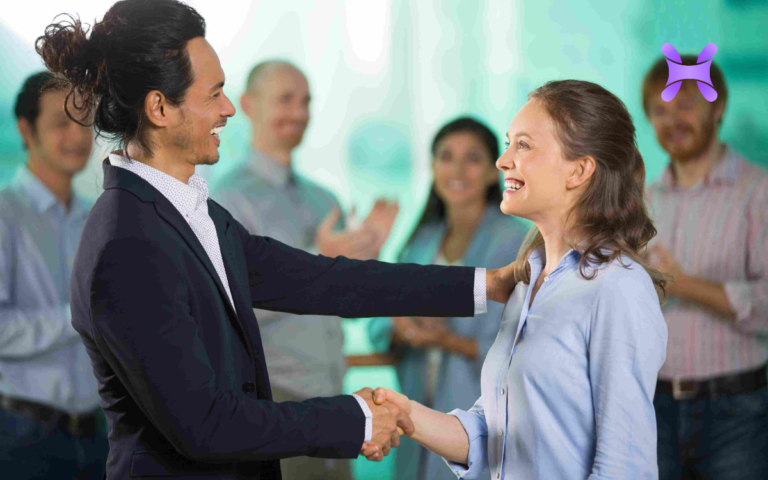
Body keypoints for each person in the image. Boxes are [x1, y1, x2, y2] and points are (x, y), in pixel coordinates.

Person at [35, 1, 520, 478]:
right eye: (214, 94)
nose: (228, 109)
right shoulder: (129, 244)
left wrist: (489, 284)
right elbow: (206, 425)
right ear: (160, 107)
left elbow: (323, 281)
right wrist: (356, 417)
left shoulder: (192, 214)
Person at [365, 80, 669, 479]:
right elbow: (491, 434)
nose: (502, 161)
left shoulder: (618, 288)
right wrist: (409, 415)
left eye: (522, 145)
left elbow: (624, 468)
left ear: (578, 170)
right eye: (509, 144)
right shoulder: (528, 281)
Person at [211, 59, 398, 480]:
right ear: (247, 104)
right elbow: (229, 309)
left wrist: (364, 262)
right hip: (274, 408)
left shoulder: (324, 199)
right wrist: (319, 258)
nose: (298, 112)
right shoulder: (227, 200)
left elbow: (341, 303)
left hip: (335, 405)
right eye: (285, 99)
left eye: (306, 101)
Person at [367, 116, 528, 480]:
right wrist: (402, 329)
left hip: (482, 417)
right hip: (417, 415)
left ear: (493, 171)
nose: (456, 169)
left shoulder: (515, 240)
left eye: (472, 158)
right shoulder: (421, 239)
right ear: (432, 166)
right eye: (445, 156)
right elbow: (378, 320)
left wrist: (445, 339)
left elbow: (521, 345)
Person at [642, 55, 768, 479]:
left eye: (685, 106)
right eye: (659, 111)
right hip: (652, 408)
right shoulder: (642, 200)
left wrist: (682, 285)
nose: (671, 120)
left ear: (719, 106)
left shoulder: (758, 191)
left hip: (737, 412)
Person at [0, 72, 107, 479]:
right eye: (62, 123)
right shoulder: (5, 215)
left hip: (100, 434)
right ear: (26, 130)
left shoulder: (99, 219)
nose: (78, 136)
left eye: (85, 121)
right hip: (22, 438)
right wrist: (77, 316)